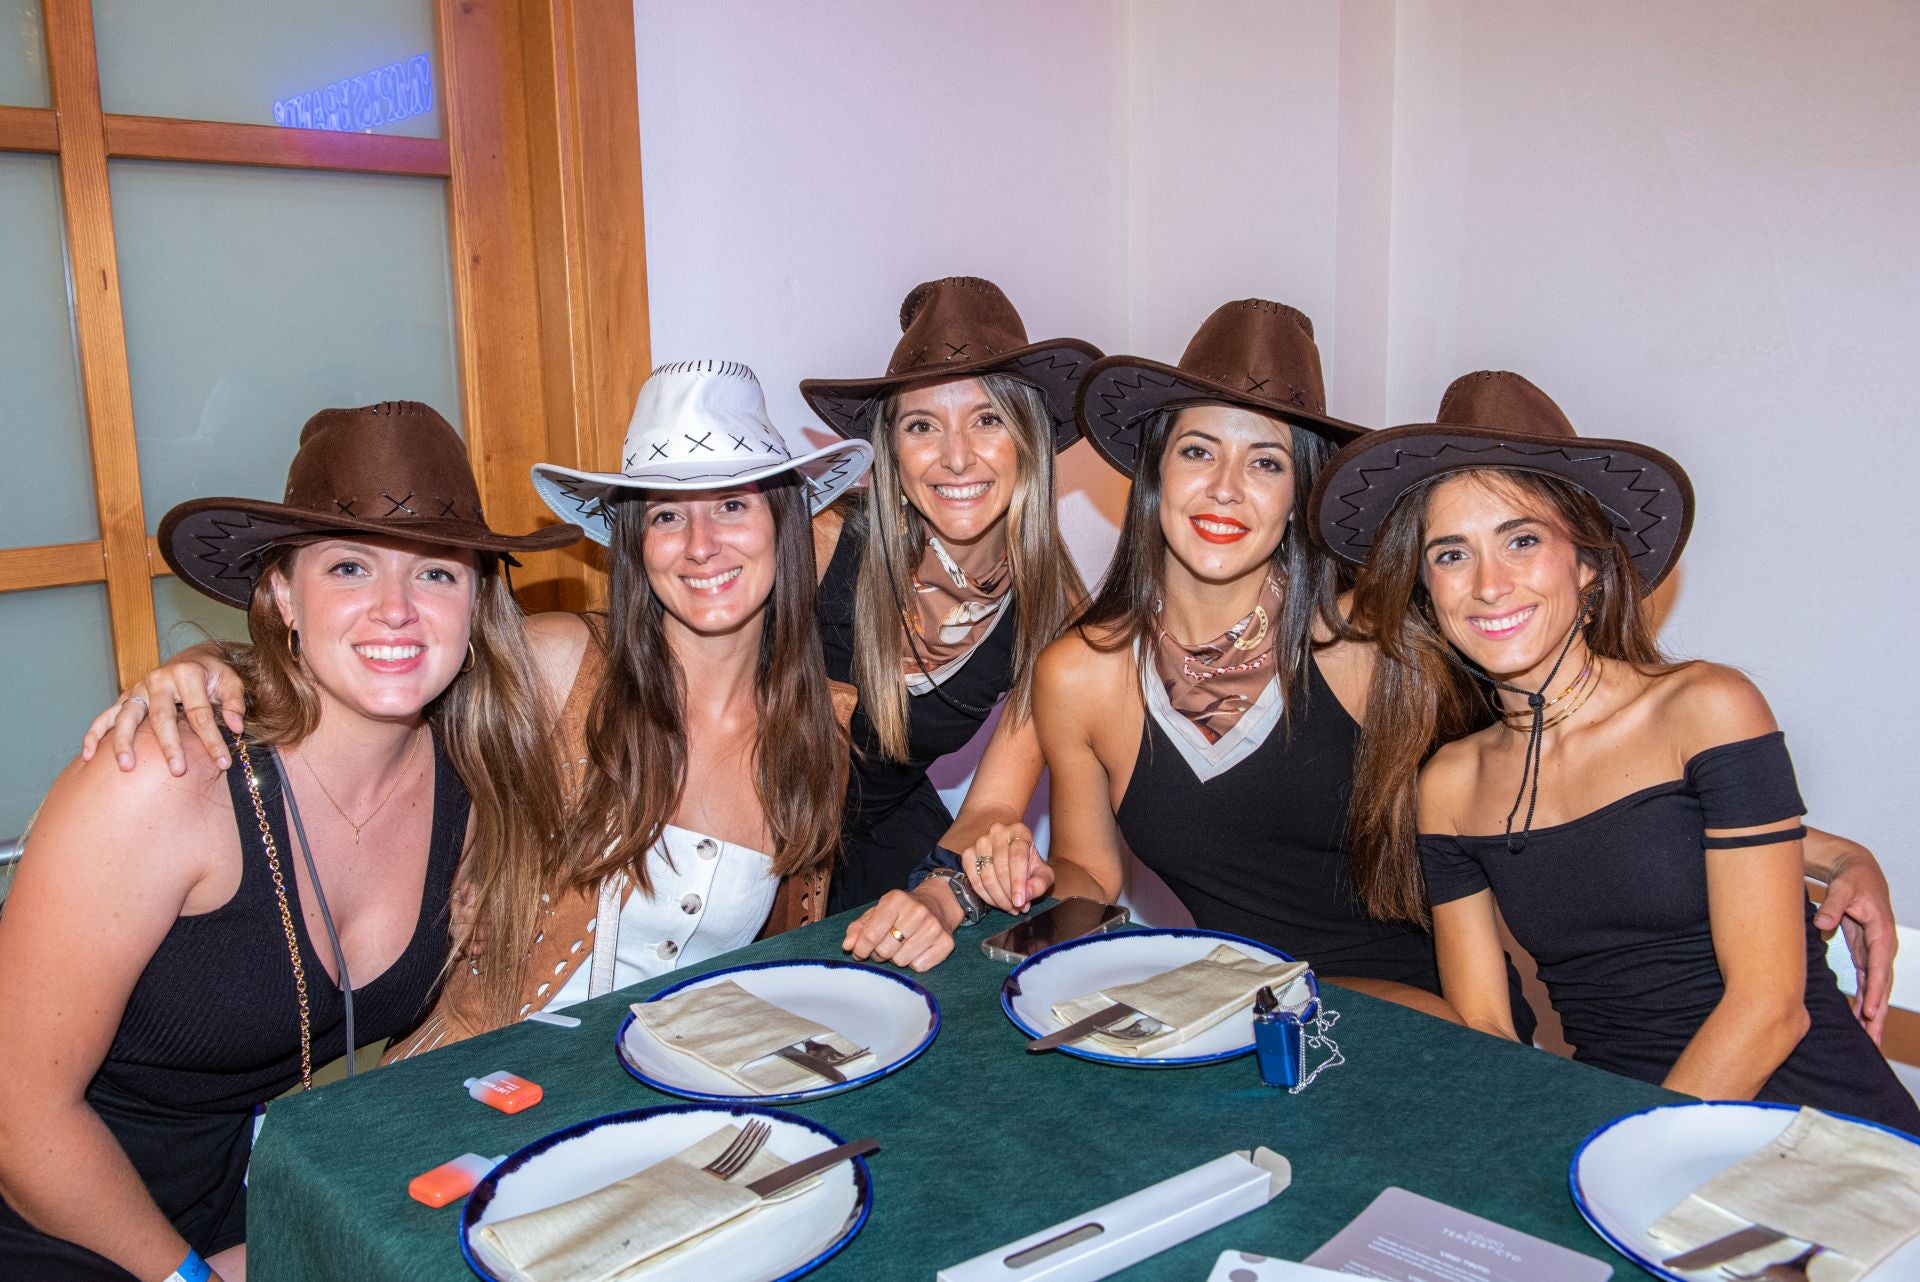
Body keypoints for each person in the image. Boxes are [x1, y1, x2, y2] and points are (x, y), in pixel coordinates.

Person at [76, 363, 872, 1051]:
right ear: (633, 542)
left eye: (732, 505)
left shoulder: (816, 734)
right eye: (666, 513)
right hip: (473, 1097)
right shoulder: (563, 663)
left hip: (666, 1106)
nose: (700, 544)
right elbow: (383, 664)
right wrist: (208, 665)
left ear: (787, 527)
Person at [0, 402, 579, 1280]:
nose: (396, 611)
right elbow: (19, 1117)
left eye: (436, 575)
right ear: (281, 594)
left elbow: (626, 651)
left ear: (477, 604)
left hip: (253, 1194)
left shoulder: (472, 775)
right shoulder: (163, 779)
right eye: (350, 568)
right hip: (60, 1215)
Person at [1317, 370, 1919, 1127]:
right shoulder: (1449, 785)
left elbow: (1771, 1010)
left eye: (1523, 540)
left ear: (1589, 566)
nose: (1488, 584)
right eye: (1450, 555)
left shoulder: (1707, 708)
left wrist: (1626, 1157)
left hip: (1812, 1132)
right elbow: (1490, 1031)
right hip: (1607, 1125)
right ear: (1426, 595)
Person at [798, 277, 1099, 957]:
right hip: (757, 850)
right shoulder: (816, 547)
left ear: (1029, 438)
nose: (956, 455)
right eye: (922, 425)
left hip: (885, 844)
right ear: (892, 451)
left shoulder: (1054, 615)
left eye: (987, 419)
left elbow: (991, 809)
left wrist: (947, 886)